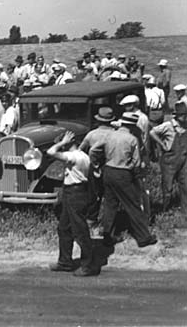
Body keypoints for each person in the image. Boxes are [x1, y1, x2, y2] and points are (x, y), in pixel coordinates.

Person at [90, 113, 157, 248]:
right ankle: (144, 237)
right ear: (132, 126)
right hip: (123, 173)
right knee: (133, 205)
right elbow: (136, 162)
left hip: (108, 171)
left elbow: (93, 150)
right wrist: (134, 172)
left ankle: (107, 236)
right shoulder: (132, 139)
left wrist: (96, 165)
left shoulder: (109, 135)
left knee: (110, 205)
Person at [47, 131, 99, 276]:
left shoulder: (73, 156)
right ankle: (65, 261)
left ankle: (88, 265)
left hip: (74, 193)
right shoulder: (84, 156)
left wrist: (62, 142)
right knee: (64, 228)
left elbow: (51, 152)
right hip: (78, 192)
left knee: (80, 230)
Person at [149, 102, 187, 222]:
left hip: (183, 159)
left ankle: (184, 210)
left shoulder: (186, 125)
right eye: (182, 115)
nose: (184, 118)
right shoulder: (168, 125)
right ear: (177, 115)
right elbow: (152, 132)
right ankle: (166, 209)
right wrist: (161, 144)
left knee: (185, 185)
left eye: (186, 115)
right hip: (169, 161)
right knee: (168, 187)